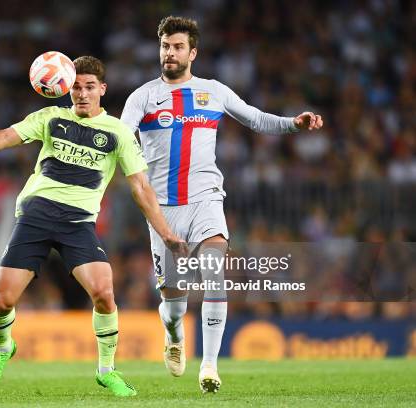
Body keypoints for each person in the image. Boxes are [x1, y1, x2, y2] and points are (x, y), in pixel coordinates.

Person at [0, 56, 186, 397]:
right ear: (65, 88)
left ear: (102, 90)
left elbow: (141, 187)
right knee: (3, 301)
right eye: (76, 86)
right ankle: (4, 348)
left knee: (104, 294)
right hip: (36, 215)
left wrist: (167, 233)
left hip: (78, 222)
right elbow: (3, 138)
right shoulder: (50, 118)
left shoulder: (119, 132)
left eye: (89, 87)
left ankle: (107, 370)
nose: (82, 93)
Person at [120, 16, 323, 394]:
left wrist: (294, 123)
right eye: (165, 45)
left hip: (206, 200)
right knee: (174, 302)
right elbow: (121, 133)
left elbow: (257, 119)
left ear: (192, 52)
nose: (170, 52)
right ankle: (174, 333)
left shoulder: (213, 92)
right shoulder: (142, 96)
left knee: (213, 272)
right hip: (162, 210)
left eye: (178, 46)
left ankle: (209, 367)